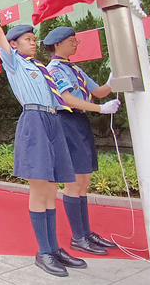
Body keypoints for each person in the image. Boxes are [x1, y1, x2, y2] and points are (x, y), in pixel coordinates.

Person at [0, 0, 120, 277]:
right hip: (34, 120)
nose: (33, 44)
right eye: (27, 40)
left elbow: (66, 96)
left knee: (51, 190)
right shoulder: (14, 62)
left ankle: (55, 247)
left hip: (52, 122)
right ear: (14, 44)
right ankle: (43, 251)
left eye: (34, 40)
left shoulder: (42, 67)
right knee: (39, 190)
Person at [44, 26, 119, 255]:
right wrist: (100, 109)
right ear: (58, 44)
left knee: (84, 181)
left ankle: (86, 233)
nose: (76, 44)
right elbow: (67, 98)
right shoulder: (55, 69)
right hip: (67, 122)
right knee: (74, 182)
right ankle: (78, 236)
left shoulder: (73, 68)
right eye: (71, 41)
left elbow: (99, 91)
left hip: (80, 122)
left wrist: (115, 77)